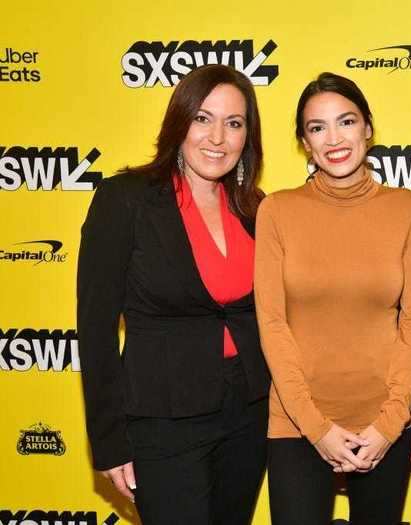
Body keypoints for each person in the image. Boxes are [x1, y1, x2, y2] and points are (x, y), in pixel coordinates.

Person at [77, 64, 270, 525]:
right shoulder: (126, 198)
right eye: (203, 118)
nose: (217, 137)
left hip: (248, 414)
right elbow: (96, 329)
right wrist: (109, 443)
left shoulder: (255, 208)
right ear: (178, 122)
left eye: (234, 123)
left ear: (248, 136)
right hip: (162, 423)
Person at [254, 72, 411, 525]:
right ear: (304, 142)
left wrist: (392, 423)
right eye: (317, 128)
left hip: (383, 425)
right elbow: (272, 323)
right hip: (296, 424)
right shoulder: (277, 210)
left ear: (368, 128)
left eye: (346, 121)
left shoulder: (408, 209)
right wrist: (316, 428)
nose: (334, 138)